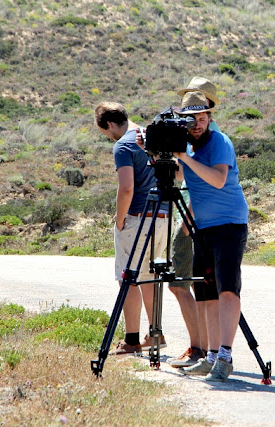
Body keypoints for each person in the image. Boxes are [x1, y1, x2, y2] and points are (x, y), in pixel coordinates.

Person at [173, 91, 249, 382]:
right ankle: (212, 355)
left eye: (203, 118)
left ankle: (225, 356)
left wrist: (184, 158)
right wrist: (158, 154)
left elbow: (217, 179)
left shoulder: (219, 141)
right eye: (192, 120)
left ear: (209, 118)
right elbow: (184, 177)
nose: (198, 124)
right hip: (202, 227)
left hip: (229, 224)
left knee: (227, 288)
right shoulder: (188, 146)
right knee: (204, 292)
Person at [94, 101, 170, 356]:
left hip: (138, 217)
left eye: (106, 132)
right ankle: (155, 334)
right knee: (151, 277)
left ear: (110, 124)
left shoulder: (124, 145)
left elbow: (126, 187)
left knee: (128, 278)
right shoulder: (152, 136)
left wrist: (119, 218)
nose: (109, 137)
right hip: (164, 214)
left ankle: (131, 339)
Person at [165, 77, 222, 368]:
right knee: (185, 285)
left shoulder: (211, 142)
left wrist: (188, 221)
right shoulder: (193, 141)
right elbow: (183, 177)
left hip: (192, 221)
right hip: (188, 218)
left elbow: (210, 185)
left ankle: (199, 348)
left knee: (182, 284)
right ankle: (201, 349)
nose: (193, 119)